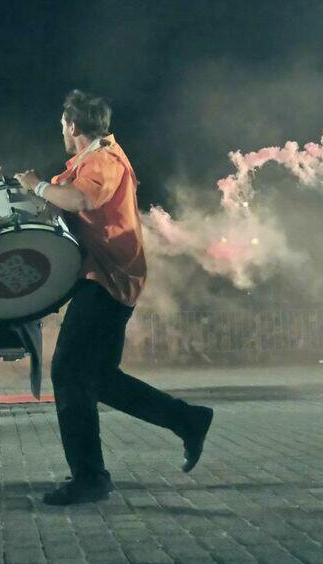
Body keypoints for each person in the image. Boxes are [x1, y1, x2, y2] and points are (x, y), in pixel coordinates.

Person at [15, 89, 213, 505]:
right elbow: (63, 203)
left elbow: (81, 199)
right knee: (98, 378)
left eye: (63, 124)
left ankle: (90, 478)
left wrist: (36, 185)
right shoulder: (86, 163)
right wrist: (39, 196)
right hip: (107, 279)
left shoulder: (103, 160)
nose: (62, 131)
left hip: (107, 280)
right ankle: (187, 419)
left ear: (73, 125)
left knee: (69, 372)